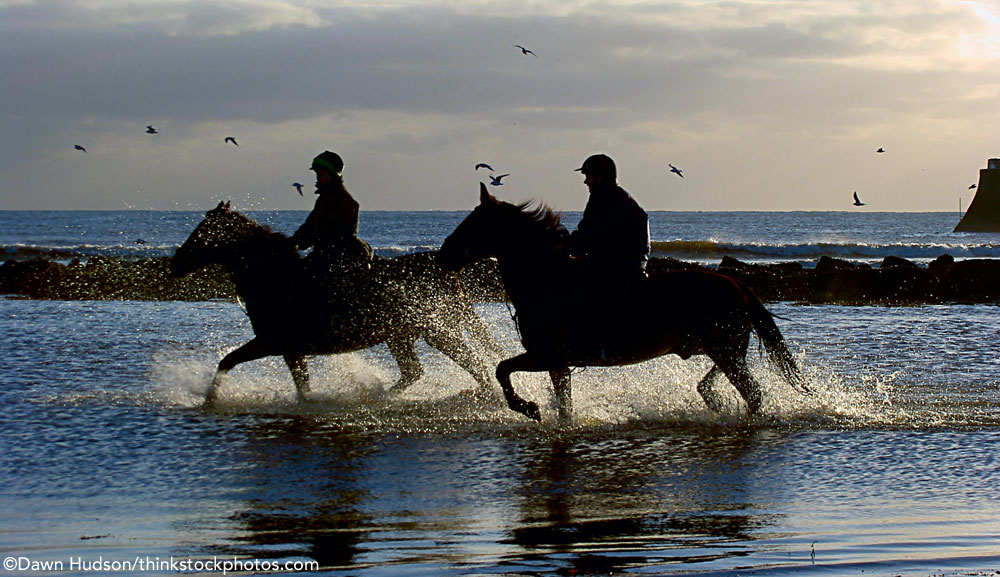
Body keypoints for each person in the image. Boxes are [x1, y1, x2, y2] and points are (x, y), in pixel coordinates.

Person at [564, 154, 650, 357]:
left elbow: (595, 234)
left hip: (625, 261)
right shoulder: (602, 196)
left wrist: (569, 246)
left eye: (588, 176)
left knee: (591, 287)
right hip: (613, 256)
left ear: (600, 177)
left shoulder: (610, 198)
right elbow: (586, 231)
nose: (585, 181)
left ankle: (600, 345)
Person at [291, 150, 373, 298]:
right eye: (317, 174)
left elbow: (319, 229)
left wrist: (300, 241)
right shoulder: (326, 197)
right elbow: (310, 226)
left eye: (321, 174)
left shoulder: (338, 198)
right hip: (329, 251)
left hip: (338, 253)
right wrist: (294, 241)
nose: (318, 179)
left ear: (332, 175)